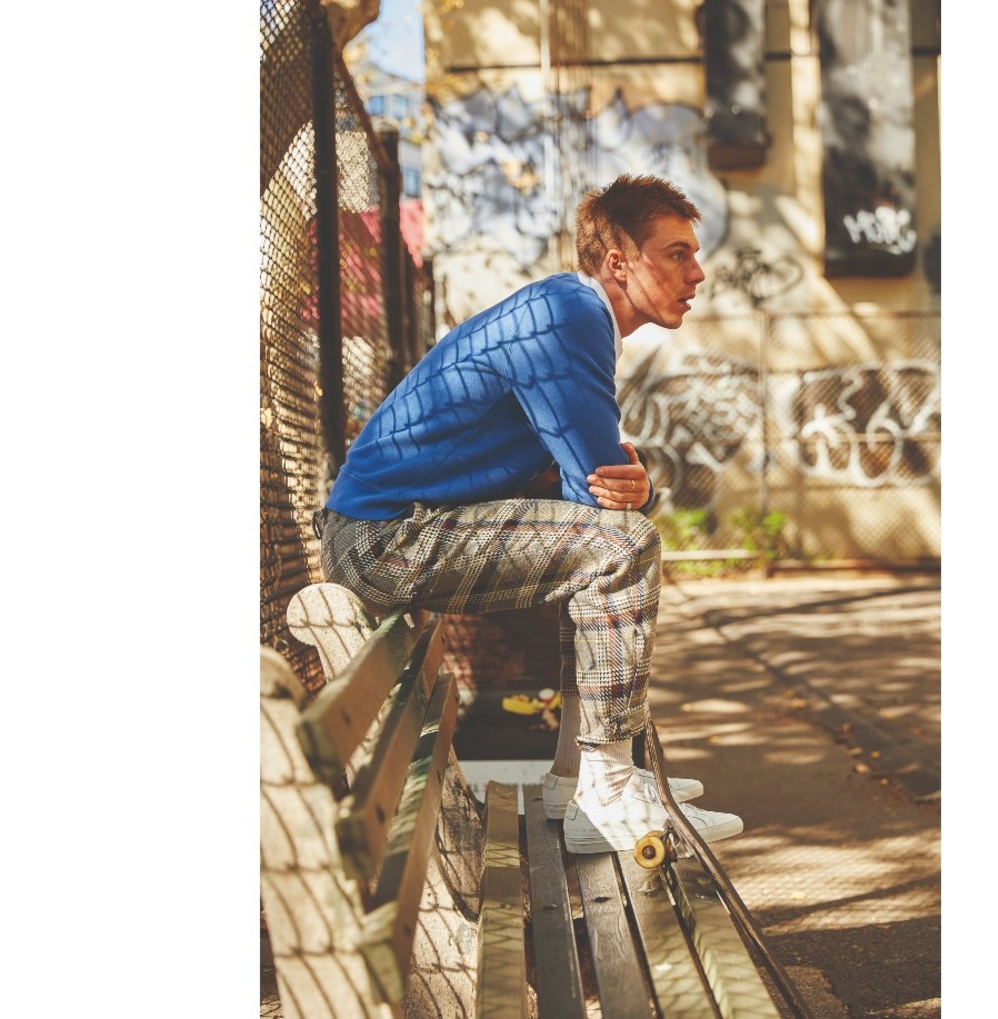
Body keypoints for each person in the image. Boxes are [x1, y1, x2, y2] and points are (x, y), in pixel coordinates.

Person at [314, 173, 743, 854]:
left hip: (394, 531)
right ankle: (605, 792)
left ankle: (590, 777)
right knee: (620, 549)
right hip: (386, 538)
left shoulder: (571, 314)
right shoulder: (568, 315)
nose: (697, 271)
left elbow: (600, 478)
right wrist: (627, 486)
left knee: (609, 544)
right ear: (617, 263)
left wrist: (624, 484)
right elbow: (599, 489)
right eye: (677, 253)